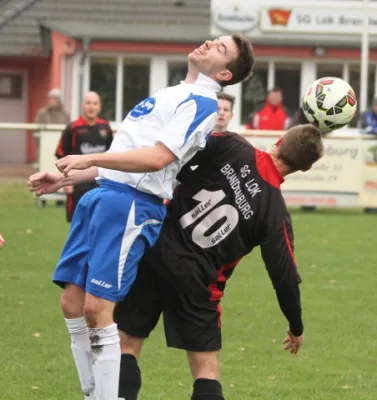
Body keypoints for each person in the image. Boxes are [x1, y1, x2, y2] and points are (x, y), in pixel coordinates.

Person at [28, 33, 255, 400]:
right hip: (104, 195)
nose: (209, 44)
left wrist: (89, 158)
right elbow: (127, 159)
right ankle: (94, 394)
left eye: (221, 49)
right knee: (71, 303)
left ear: (226, 75)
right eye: (214, 40)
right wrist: (65, 178)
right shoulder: (173, 92)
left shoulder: (202, 103)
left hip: (131, 205)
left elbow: (156, 160)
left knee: (97, 307)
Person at [111, 123, 324, 400]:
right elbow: (283, 278)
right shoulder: (275, 213)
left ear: (280, 140)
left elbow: (184, 150)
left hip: (156, 253)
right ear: (305, 169)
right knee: (206, 373)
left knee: (126, 346)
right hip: (198, 283)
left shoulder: (233, 145)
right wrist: (296, 326)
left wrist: (185, 181)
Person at [55, 91, 113, 222]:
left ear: (100, 106)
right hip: (78, 182)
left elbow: (111, 155)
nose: (91, 106)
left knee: (100, 220)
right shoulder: (73, 128)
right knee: (78, 222)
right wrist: (66, 181)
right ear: (82, 105)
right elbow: (61, 154)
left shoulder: (105, 127)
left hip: (101, 181)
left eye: (94, 103)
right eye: (88, 103)